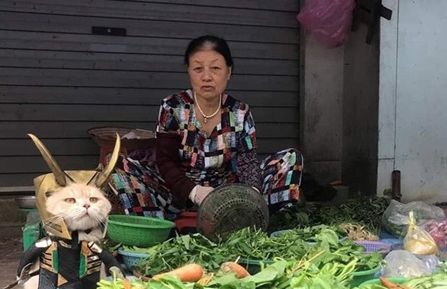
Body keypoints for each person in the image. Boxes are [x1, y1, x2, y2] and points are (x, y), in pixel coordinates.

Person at [108, 35, 303, 220]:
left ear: (229, 71)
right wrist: (194, 192)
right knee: (118, 163)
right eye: (198, 69)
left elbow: (247, 163)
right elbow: (165, 162)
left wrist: (251, 195)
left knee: (290, 158)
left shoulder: (240, 112)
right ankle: (156, 226)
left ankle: (260, 221)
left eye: (215, 68)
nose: (207, 77)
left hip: (227, 196)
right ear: (188, 71)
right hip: (178, 193)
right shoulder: (173, 107)